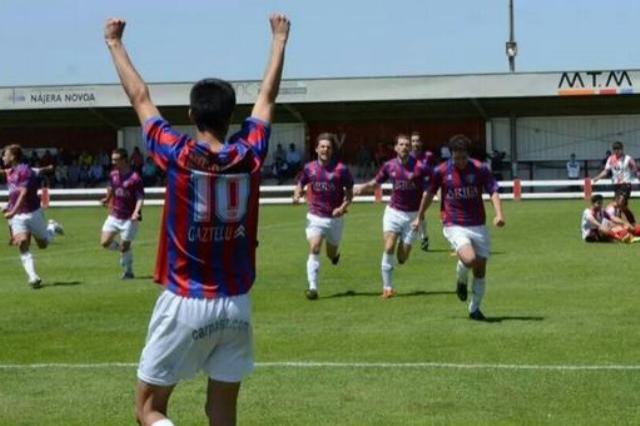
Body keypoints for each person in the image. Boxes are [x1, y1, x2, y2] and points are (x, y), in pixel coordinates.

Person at [105, 13, 289, 426]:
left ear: (192, 113)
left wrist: (115, 44)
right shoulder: (250, 153)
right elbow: (268, 98)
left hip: (186, 298)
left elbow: (140, 97)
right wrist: (278, 40)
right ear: (231, 116)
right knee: (220, 412)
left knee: (148, 409)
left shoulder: (178, 152)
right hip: (237, 304)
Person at [413, 134, 505, 321]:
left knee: (480, 270)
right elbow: (429, 193)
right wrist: (419, 216)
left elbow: (493, 191)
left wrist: (499, 215)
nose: (460, 162)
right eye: (456, 158)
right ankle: (461, 280)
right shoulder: (440, 171)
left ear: (468, 155)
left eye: (463, 158)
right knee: (470, 259)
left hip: (478, 224)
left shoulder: (480, 169)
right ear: (451, 155)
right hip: (454, 223)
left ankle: (474, 309)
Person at [354, 134, 432, 298]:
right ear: (396, 147)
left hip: (412, 216)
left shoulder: (420, 167)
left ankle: (400, 254)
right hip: (393, 212)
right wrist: (363, 187)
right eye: (401, 144)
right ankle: (387, 288)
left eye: (407, 145)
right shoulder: (389, 166)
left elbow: (430, 189)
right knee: (388, 246)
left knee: (402, 257)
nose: (404, 147)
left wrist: (421, 214)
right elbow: (377, 182)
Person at [293, 133, 354, 300]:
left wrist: (342, 208)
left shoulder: (341, 170)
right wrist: (297, 194)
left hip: (335, 219)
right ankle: (313, 288)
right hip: (315, 216)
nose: (325, 149)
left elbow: (349, 195)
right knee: (314, 247)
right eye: (322, 146)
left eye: (328, 147)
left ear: (332, 150)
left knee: (330, 253)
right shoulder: (309, 168)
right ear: (316, 149)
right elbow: (300, 183)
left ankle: (334, 257)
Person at [1, 145, 64, 288]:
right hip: (18, 216)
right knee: (22, 243)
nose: (3, 157)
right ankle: (33, 277)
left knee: (43, 244)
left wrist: (12, 211)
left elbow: (23, 194)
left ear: (13, 156)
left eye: (5, 155)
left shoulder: (24, 171)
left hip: (33, 212)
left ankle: (52, 228)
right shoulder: (10, 172)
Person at [99, 148, 144, 279]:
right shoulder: (113, 174)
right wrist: (107, 199)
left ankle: (128, 271)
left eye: (116, 160)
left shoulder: (135, 178)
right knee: (104, 243)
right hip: (114, 215)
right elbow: (112, 187)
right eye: (112, 159)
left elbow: (140, 197)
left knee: (125, 246)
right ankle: (124, 251)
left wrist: (136, 212)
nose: (113, 162)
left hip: (130, 218)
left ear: (124, 160)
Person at [410, 131, 433, 251]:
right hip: (412, 189)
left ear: (421, 142)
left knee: (421, 212)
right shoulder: (408, 157)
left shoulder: (428, 156)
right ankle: (422, 236)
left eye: (417, 140)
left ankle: (423, 236)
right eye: (413, 141)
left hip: (426, 189)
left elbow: (434, 171)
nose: (415, 143)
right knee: (417, 214)